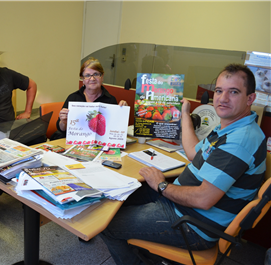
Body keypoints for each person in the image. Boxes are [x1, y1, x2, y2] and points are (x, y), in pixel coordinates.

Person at [100, 63, 267, 264]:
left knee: (106, 224)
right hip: (181, 204)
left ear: (250, 98)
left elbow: (203, 199)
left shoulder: (239, 140)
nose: (222, 99)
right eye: (219, 90)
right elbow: (193, 152)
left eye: (233, 92)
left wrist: (162, 186)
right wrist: (184, 113)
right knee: (119, 197)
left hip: (193, 224)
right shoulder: (230, 127)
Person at [51, 57, 128, 140]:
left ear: (102, 77)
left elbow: (115, 129)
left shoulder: (110, 100)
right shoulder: (73, 98)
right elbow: (62, 129)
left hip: (99, 144)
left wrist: (122, 113)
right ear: (83, 79)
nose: (92, 79)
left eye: (96, 74)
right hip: (74, 143)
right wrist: (63, 122)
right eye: (87, 75)